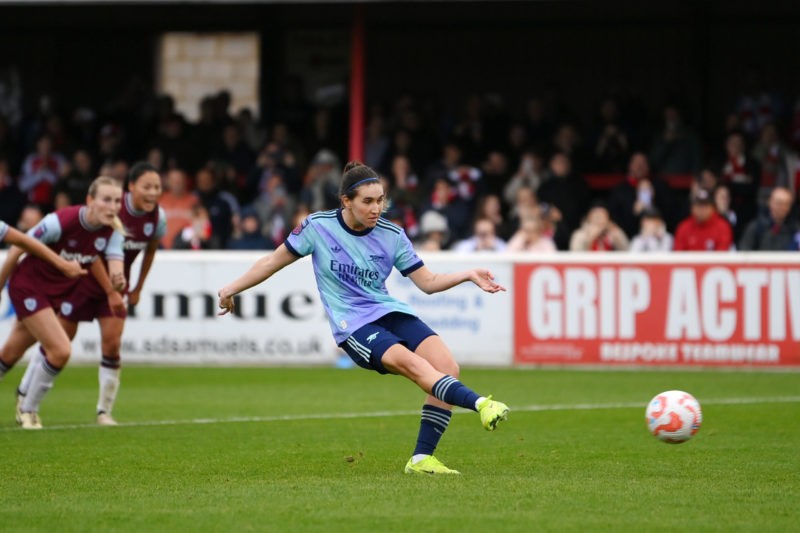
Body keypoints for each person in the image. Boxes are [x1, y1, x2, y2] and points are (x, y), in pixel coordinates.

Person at [217, 161, 510, 475]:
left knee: (448, 366)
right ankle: (481, 403)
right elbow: (272, 262)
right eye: (368, 201)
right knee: (413, 365)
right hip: (353, 325)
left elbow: (428, 283)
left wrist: (467, 274)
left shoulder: (392, 235)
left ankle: (422, 459)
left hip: (388, 311)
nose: (376, 208)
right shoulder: (317, 227)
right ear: (346, 201)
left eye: (380, 200)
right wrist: (231, 288)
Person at [17, 163, 166, 426]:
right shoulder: (111, 211)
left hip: (116, 284)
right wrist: (109, 288)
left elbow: (150, 250)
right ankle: (24, 395)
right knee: (59, 342)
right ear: (131, 187)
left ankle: (104, 412)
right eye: (147, 186)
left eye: (157, 187)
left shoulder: (157, 218)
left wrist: (136, 286)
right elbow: (92, 253)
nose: (153, 192)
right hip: (85, 281)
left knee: (112, 344)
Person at [0, 176, 125, 429]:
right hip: (28, 287)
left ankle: (26, 406)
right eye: (106, 200)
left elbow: (115, 266)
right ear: (90, 200)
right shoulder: (61, 221)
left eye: (117, 201)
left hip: (54, 294)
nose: (112, 207)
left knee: (9, 355)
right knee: (60, 350)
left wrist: (117, 282)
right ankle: (28, 410)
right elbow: (17, 246)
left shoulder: (112, 231)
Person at [738, 186, 800, 251]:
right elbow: (744, 251)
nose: (782, 207)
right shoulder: (756, 227)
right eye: (779, 203)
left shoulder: (796, 229)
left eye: (786, 204)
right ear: (770, 202)